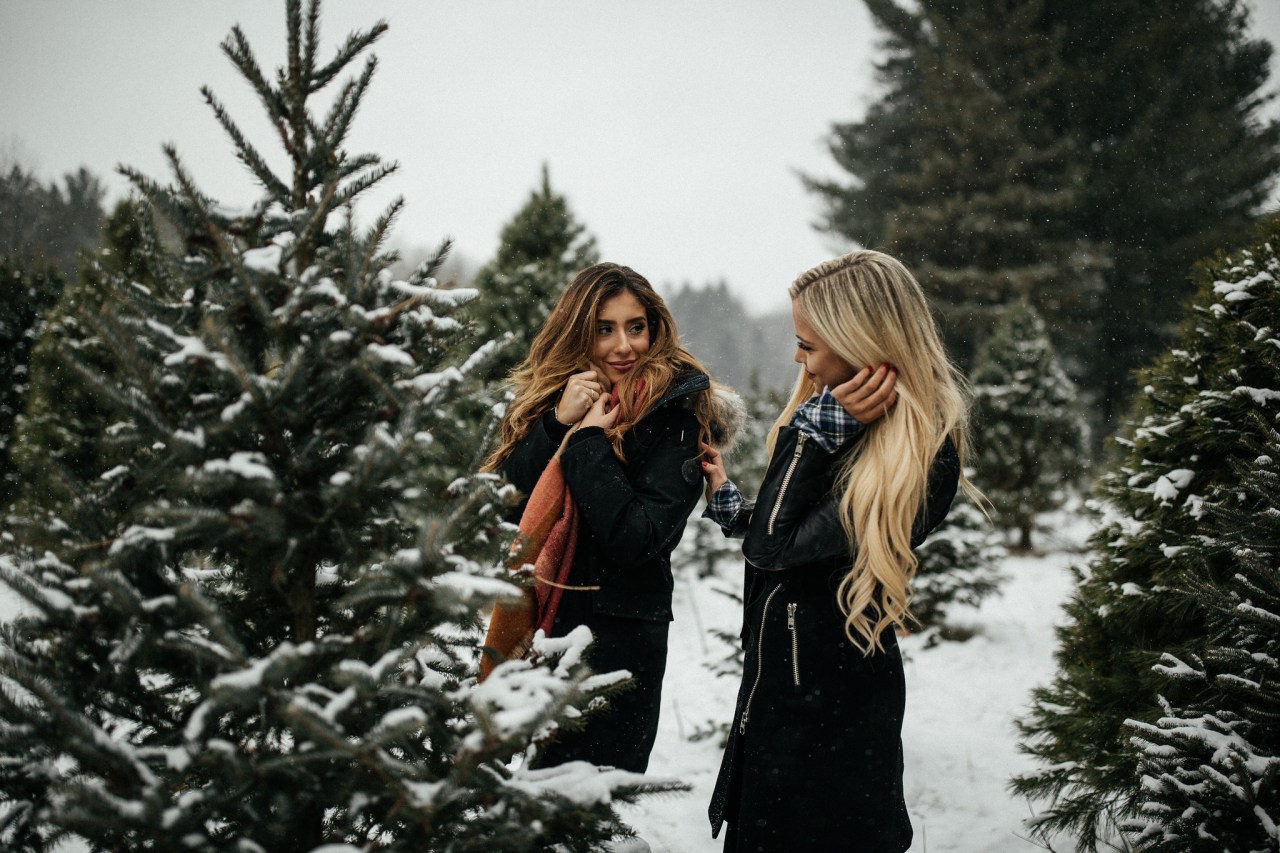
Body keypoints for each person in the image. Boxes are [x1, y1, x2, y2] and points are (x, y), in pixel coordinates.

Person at [701, 250, 974, 851]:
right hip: (780, 695)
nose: (798, 356)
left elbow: (779, 547)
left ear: (861, 341)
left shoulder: (919, 455)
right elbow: (791, 537)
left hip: (835, 711)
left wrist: (810, 436)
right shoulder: (837, 423)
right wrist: (730, 506)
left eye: (808, 343)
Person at [482, 261, 741, 774]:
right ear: (579, 333)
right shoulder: (558, 399)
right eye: (605, 329)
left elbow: (637, 539)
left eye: (635, 327)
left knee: (590, 810)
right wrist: (558, 424)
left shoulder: (679, 416)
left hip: (618, 644)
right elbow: (506, 502)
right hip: (543, 626)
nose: (623, 346)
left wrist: (588, 445)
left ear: (655, 328)